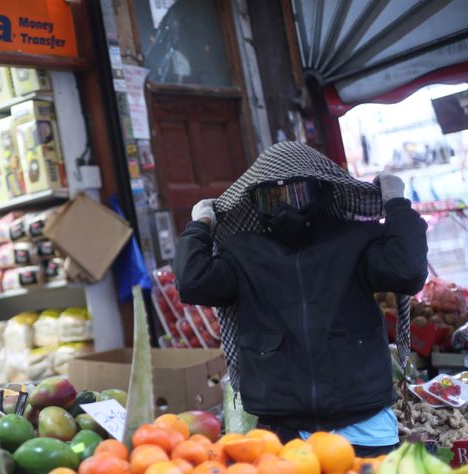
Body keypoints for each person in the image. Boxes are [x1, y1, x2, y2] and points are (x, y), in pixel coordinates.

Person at [173, 142, 428, 457]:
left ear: (320, 192)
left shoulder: (355, 238)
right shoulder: (243, 251)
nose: (285, 209)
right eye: (272, 200)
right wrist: (200, 226)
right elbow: (194, 282)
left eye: (296, 196)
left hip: (364, 422)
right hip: (284, 428)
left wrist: (398, 205)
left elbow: (407, 272)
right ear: (256, 204)